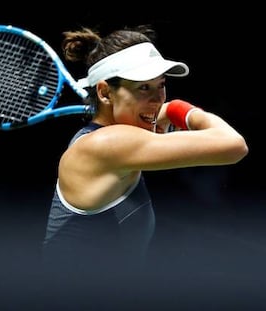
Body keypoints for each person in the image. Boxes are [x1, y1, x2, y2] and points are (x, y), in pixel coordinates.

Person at [41, 25, 248, 285]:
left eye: (161, 86)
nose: (156, 99)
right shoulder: (109, 143)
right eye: (143, 88)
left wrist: (158, 112)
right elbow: (233, 145)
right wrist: (182, 110)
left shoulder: (112, 136)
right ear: (105, 93)